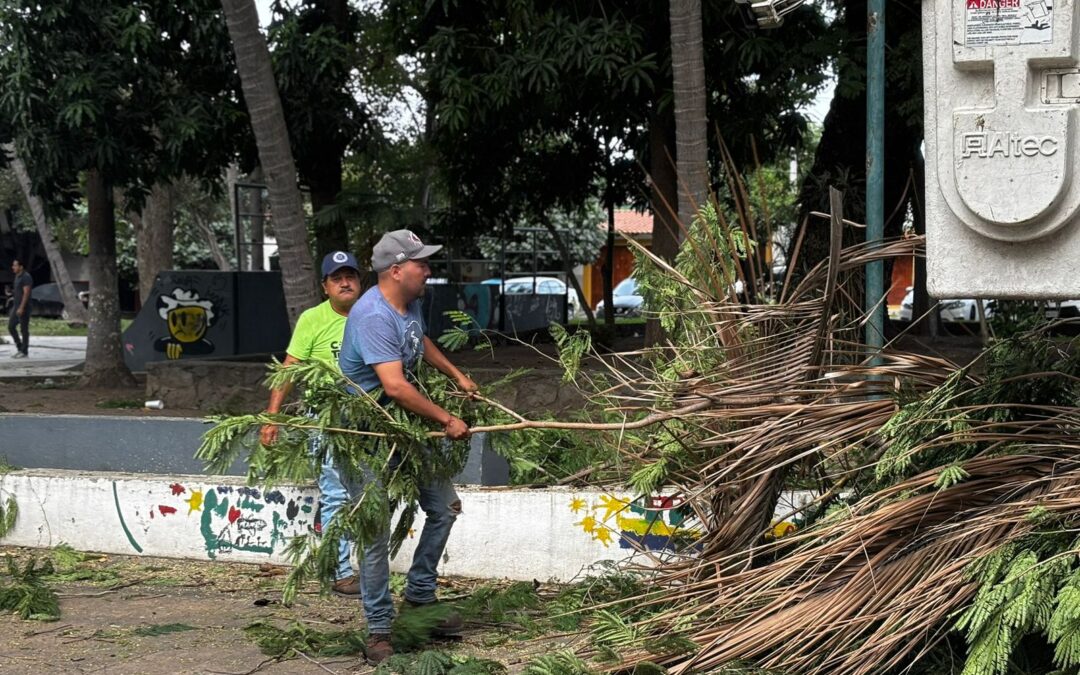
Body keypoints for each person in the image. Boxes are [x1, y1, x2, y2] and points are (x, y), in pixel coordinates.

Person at [338, 229, 477, 665]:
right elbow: (395, 387)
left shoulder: (409, 304)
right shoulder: (373, 316)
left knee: (444, 506)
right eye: (421, 263)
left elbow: (422, 341)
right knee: (375, 532)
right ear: (396, 270)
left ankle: (419, 597)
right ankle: (379, 629)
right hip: (368, 433)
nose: (428, 270)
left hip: (405, 428)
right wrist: (447, 419)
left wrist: (456, 375)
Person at [260, 250, 363, 597]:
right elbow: (289, 369)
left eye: (351, 276)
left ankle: (367, 566)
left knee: (366, 492)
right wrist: (273, 417)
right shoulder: (312, 319)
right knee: (336, 493)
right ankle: (341, 571)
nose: (345, 282)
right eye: (337, 278)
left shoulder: (371, 315)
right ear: (326, 287)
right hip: (325, 418)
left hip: (369, 416)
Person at [8, 259, 32, 359]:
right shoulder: (17, 276)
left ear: (21, 267)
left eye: (15, 265)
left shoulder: (26, 277)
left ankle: (24, 351)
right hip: (16, 306)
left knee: (24, 329)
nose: (13, 267)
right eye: (13, 265)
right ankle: (19, 347)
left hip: (24, 307)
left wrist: (22, 307)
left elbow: (26, 293)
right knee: (11, 326)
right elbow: (19, 292)